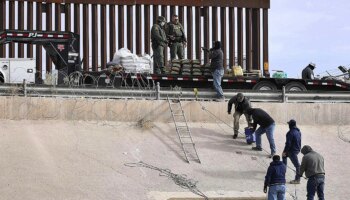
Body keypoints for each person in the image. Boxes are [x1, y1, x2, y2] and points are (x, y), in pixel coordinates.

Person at [282, 119, 302, 184]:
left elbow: (288, 144)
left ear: (290, 125)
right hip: (297, 149)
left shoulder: (290, 133)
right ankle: (282, 174)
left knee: (297, 165)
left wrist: (284, 151)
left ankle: (297, 179)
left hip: (292, 150)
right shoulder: (298, 131)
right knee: (284, 157)